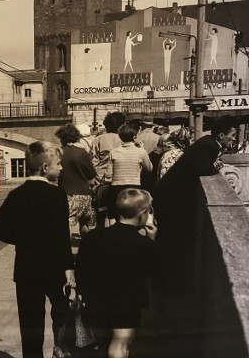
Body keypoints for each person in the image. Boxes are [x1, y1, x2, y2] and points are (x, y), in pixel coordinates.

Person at [0, 141, 75, 358]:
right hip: (53, 267)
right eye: (58, 164)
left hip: (26, 268)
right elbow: (61, 236)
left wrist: (24, 238)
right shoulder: (57, 196)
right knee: (62, 311)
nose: (62, 168)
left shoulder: (17, 194)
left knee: (30, 325)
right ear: (46, 168)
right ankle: (60, 348)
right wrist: (68, 267)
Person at [153, 116, 237, 291]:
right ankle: (165, 283)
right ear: (221, 135)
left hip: (171, 197)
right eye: (232, 135)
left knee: (169, 240)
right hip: (172, 199)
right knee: (171, 241)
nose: (234, 139)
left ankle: (164, 281)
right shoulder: (209, 145)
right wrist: (216, 167)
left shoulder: (208, 143)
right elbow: (203, 169)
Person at [76, 188, 157, 358]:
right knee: (120, 345)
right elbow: (157, 271)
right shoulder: (142, 244)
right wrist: (153, 242)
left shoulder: (92, 238)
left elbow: (81, 271)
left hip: (96, 303)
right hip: (126, 305)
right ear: (142, 214)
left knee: (105, 345)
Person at [55, 124, 98, 236]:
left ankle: (66, 251)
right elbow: (91, 174)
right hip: (84, 194)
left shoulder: (58, 153)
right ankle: (86, 248)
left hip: (67, 195)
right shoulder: (82, 152)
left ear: (61, 137)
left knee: (66, 225)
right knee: (84, 224)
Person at [104, 123, 152, 223]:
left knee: (113, 215)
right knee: (134, 214)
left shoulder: (113, 152)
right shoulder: (141, 152)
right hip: (134, 187)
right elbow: (149, 168)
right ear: (134, 137)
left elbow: (108, 175)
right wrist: (143, 150)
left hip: (116, 187)